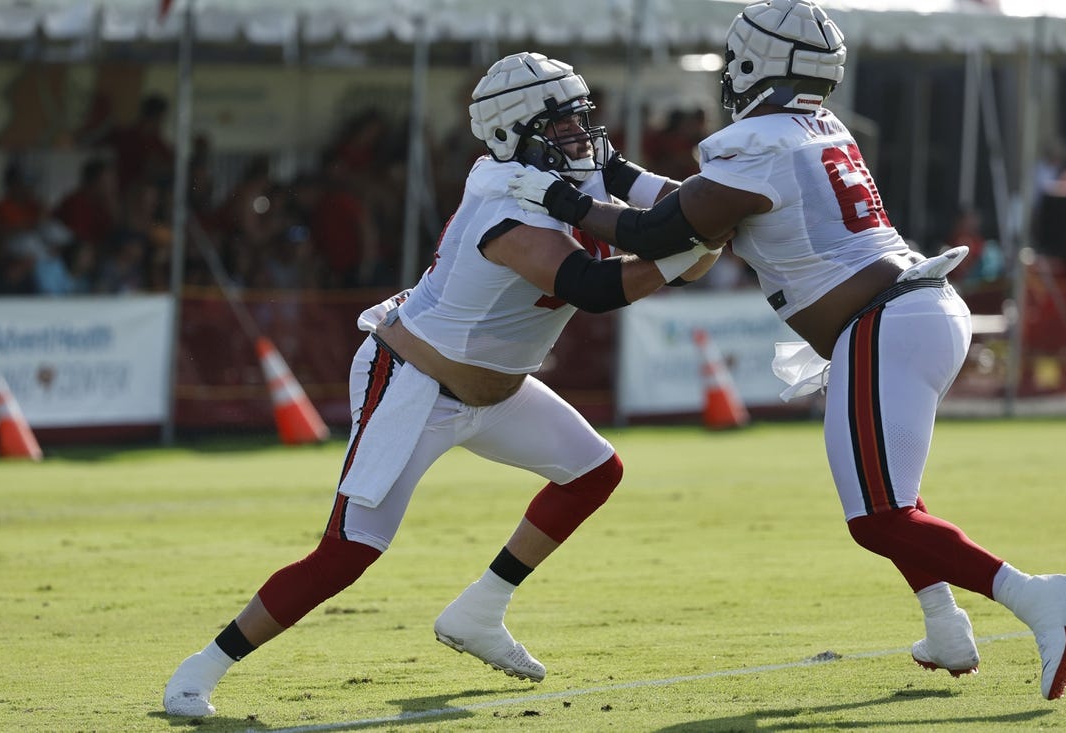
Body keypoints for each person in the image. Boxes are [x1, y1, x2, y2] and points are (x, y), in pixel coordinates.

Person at [508, 0, 1066, 701]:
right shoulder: (812, 130)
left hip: (886, 321)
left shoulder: (759, 144)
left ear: (754, 63)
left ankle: (1037, 597)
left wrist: (562, 200)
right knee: (893, 495)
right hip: (914, 312)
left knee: (877, 515)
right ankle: (944, 623)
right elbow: (694, 210)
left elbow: (661, 233)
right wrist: (614, 172)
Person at [163, 51, 722, 717]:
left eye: (580, 118)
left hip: (495, 387)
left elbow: (676, 209)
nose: (580, 135)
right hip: (414, 380)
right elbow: (595, 288)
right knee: (348, 552)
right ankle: (202, 667)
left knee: (593, 471)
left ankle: (481, 608)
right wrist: (691, 247)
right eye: (562, 122)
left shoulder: (566, 172)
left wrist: (704, 216)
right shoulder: (504, 202)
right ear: (517, 132)